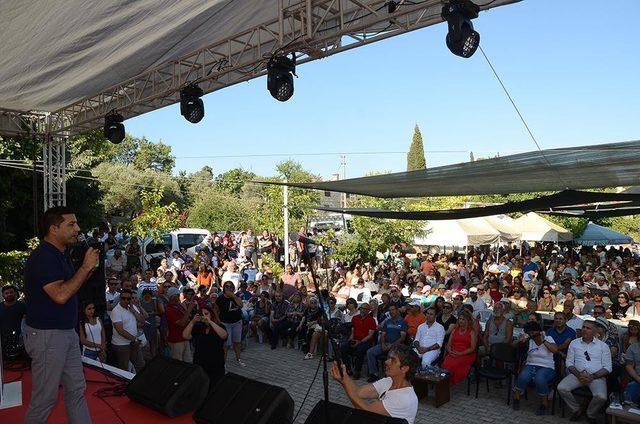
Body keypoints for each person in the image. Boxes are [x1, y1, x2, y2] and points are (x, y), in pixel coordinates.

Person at [23, 206, 99, 423]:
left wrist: (87, 269)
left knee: (76, 389)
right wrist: (84, 269)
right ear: (54, 229)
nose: (78, 228)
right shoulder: (44, 257)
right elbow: (60, 295)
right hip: (48, 336)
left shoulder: (61, 254)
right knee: (45, 399)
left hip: (65, 333)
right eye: (71, 224)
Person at [331, 344, 419, 424]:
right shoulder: (389, 381)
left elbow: (366, 412)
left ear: (404, 368)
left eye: (393, 360)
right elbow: (358, 392)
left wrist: (345, 381)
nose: (386, 362)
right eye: (389, 358)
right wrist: (344, 377)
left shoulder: (404, 398)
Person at [558, 320, 612, 424]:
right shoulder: (574, 343)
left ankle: (590, 414)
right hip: (577, 375)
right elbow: (569, 363)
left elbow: (608, 367)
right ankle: (577, 410)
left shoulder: (603, 346)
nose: (584, 330)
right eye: (583, 327)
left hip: (596, 377)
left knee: (601, 397)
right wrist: (579, 375)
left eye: (588, 328)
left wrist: (592, 376)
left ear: (595, 331)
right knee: (561, 388)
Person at [511, 321, 558, 415]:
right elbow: (513, 346)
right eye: (530, 333)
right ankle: (516, 397)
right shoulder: (530, 340)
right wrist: (520, 341)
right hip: (531, 364)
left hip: (547, 366)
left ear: (539, 331)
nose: (532, 335)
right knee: (523, 376)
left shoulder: (548, 338)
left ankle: (544, 403)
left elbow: (555, 350)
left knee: (539, 378)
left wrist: (543, 341)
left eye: (533, 332)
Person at [182, 305, 228, 386]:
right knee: (200, 386)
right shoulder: (198, 327)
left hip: (216, 362)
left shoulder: (219, 326)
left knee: (216, 385)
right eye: (202, 314)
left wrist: (210, 322)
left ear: (211, 314)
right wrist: (192, 322)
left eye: (206, 314)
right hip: (200, 362)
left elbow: (224, 335)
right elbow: (185, 336)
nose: (204, 316)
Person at [366, 305, 408, 382]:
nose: (391, 312)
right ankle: (374, 374)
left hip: (396, 346)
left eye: (393, 310)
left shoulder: (403, 322)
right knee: (370, 352)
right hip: (385, 344)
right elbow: (383, 334)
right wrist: (382, 344)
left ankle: (389, 376)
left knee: (391, 355)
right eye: (390, 310)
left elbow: (402, 338)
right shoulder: (387, 321)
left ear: (397, 310)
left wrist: (391, 345)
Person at [111, 288, 146, 372]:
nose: (126, 300)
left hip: (133, 342)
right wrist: (134, 339)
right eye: (123, 298)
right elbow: (120, 330)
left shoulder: (132, 307)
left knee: (141, 365)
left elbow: (142, 321)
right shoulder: (116, 311)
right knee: (124, 369)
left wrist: (134, 311)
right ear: (120, 298)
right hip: (121, 345)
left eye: (128, 299)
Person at [342, 302, 377, 379]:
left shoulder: (371, 320)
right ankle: (348, 369)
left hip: (366, 341)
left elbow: (370, 335)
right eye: (361, 308)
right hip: (355, 339)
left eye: (365, 309)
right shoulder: (355, 318)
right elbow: (353, 330)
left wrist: (359, 342)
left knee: (360, 350)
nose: (363, 310)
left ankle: (357, 371)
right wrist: (351, 338)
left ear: (368, 311)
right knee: (343, 347)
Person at [442, 311, 477, 385]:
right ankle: (445, 381)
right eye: (460, 319)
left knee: (455, 364)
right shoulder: (454, 330)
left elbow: (472, 348)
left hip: (467, 354)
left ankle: (452, 381)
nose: (461, 321)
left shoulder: (471, 332)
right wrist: (450, 351)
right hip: (454, 352)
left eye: (463, 319)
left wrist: (460, 353)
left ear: (468, 321)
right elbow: (449, 344)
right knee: (446, 363)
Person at [217, 280, 246, 366]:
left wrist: (233, 296)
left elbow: (241, 305)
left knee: (237, 342)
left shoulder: (236, 296)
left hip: (237, 322)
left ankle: (238, 359)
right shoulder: (220, 298)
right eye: (227, 286)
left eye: (231, 286)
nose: (229, 288)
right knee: (226, 345)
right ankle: (223, 363)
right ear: (224, 288)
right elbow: (215, 310)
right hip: (226, 323)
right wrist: (218, 321)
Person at [165, 287, 194, 363]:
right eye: (176, 296)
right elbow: (182, 323)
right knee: (178, 362)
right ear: (171, 297)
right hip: (176, 340)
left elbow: (187, 319)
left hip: (184, 337)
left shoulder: (179, 305)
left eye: (178, 295)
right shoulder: (169, 310)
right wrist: (189, 310)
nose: (178, 297)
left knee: (188, 361)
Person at [0, 284, 26, 354]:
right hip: (3, 339)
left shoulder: (22, 305)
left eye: (11, 292)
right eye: (7, 293)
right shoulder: (0, 307)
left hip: (21, 338)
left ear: (15, 293)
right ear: (3, 295)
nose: (9, 294)